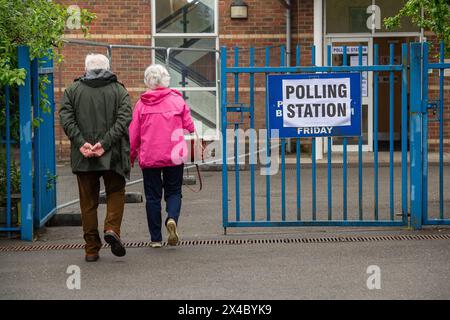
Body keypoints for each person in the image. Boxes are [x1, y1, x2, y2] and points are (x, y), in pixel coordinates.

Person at [60, 54, 132, 262]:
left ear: (86, 68)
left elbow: (66, 117)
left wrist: (81, 142)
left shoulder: (72, 91)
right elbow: (124, 118)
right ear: (108, 67)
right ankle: (111, 229)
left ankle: (91, 248)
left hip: (84, 157)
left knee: (88, 203)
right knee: (116, 192)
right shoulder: (119, 91)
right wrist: (105, 143)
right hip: (113, 156)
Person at [129, 64, 195, 248]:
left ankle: (156, 239)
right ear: (166, 80)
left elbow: (133, 134)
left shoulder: (141, 105)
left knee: (152, 197)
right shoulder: (177, 101)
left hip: (150, 157)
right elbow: (189, 126)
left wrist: (131, 155)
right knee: (174, 192)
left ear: (147, 81)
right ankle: (171, 219)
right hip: (174, 156)